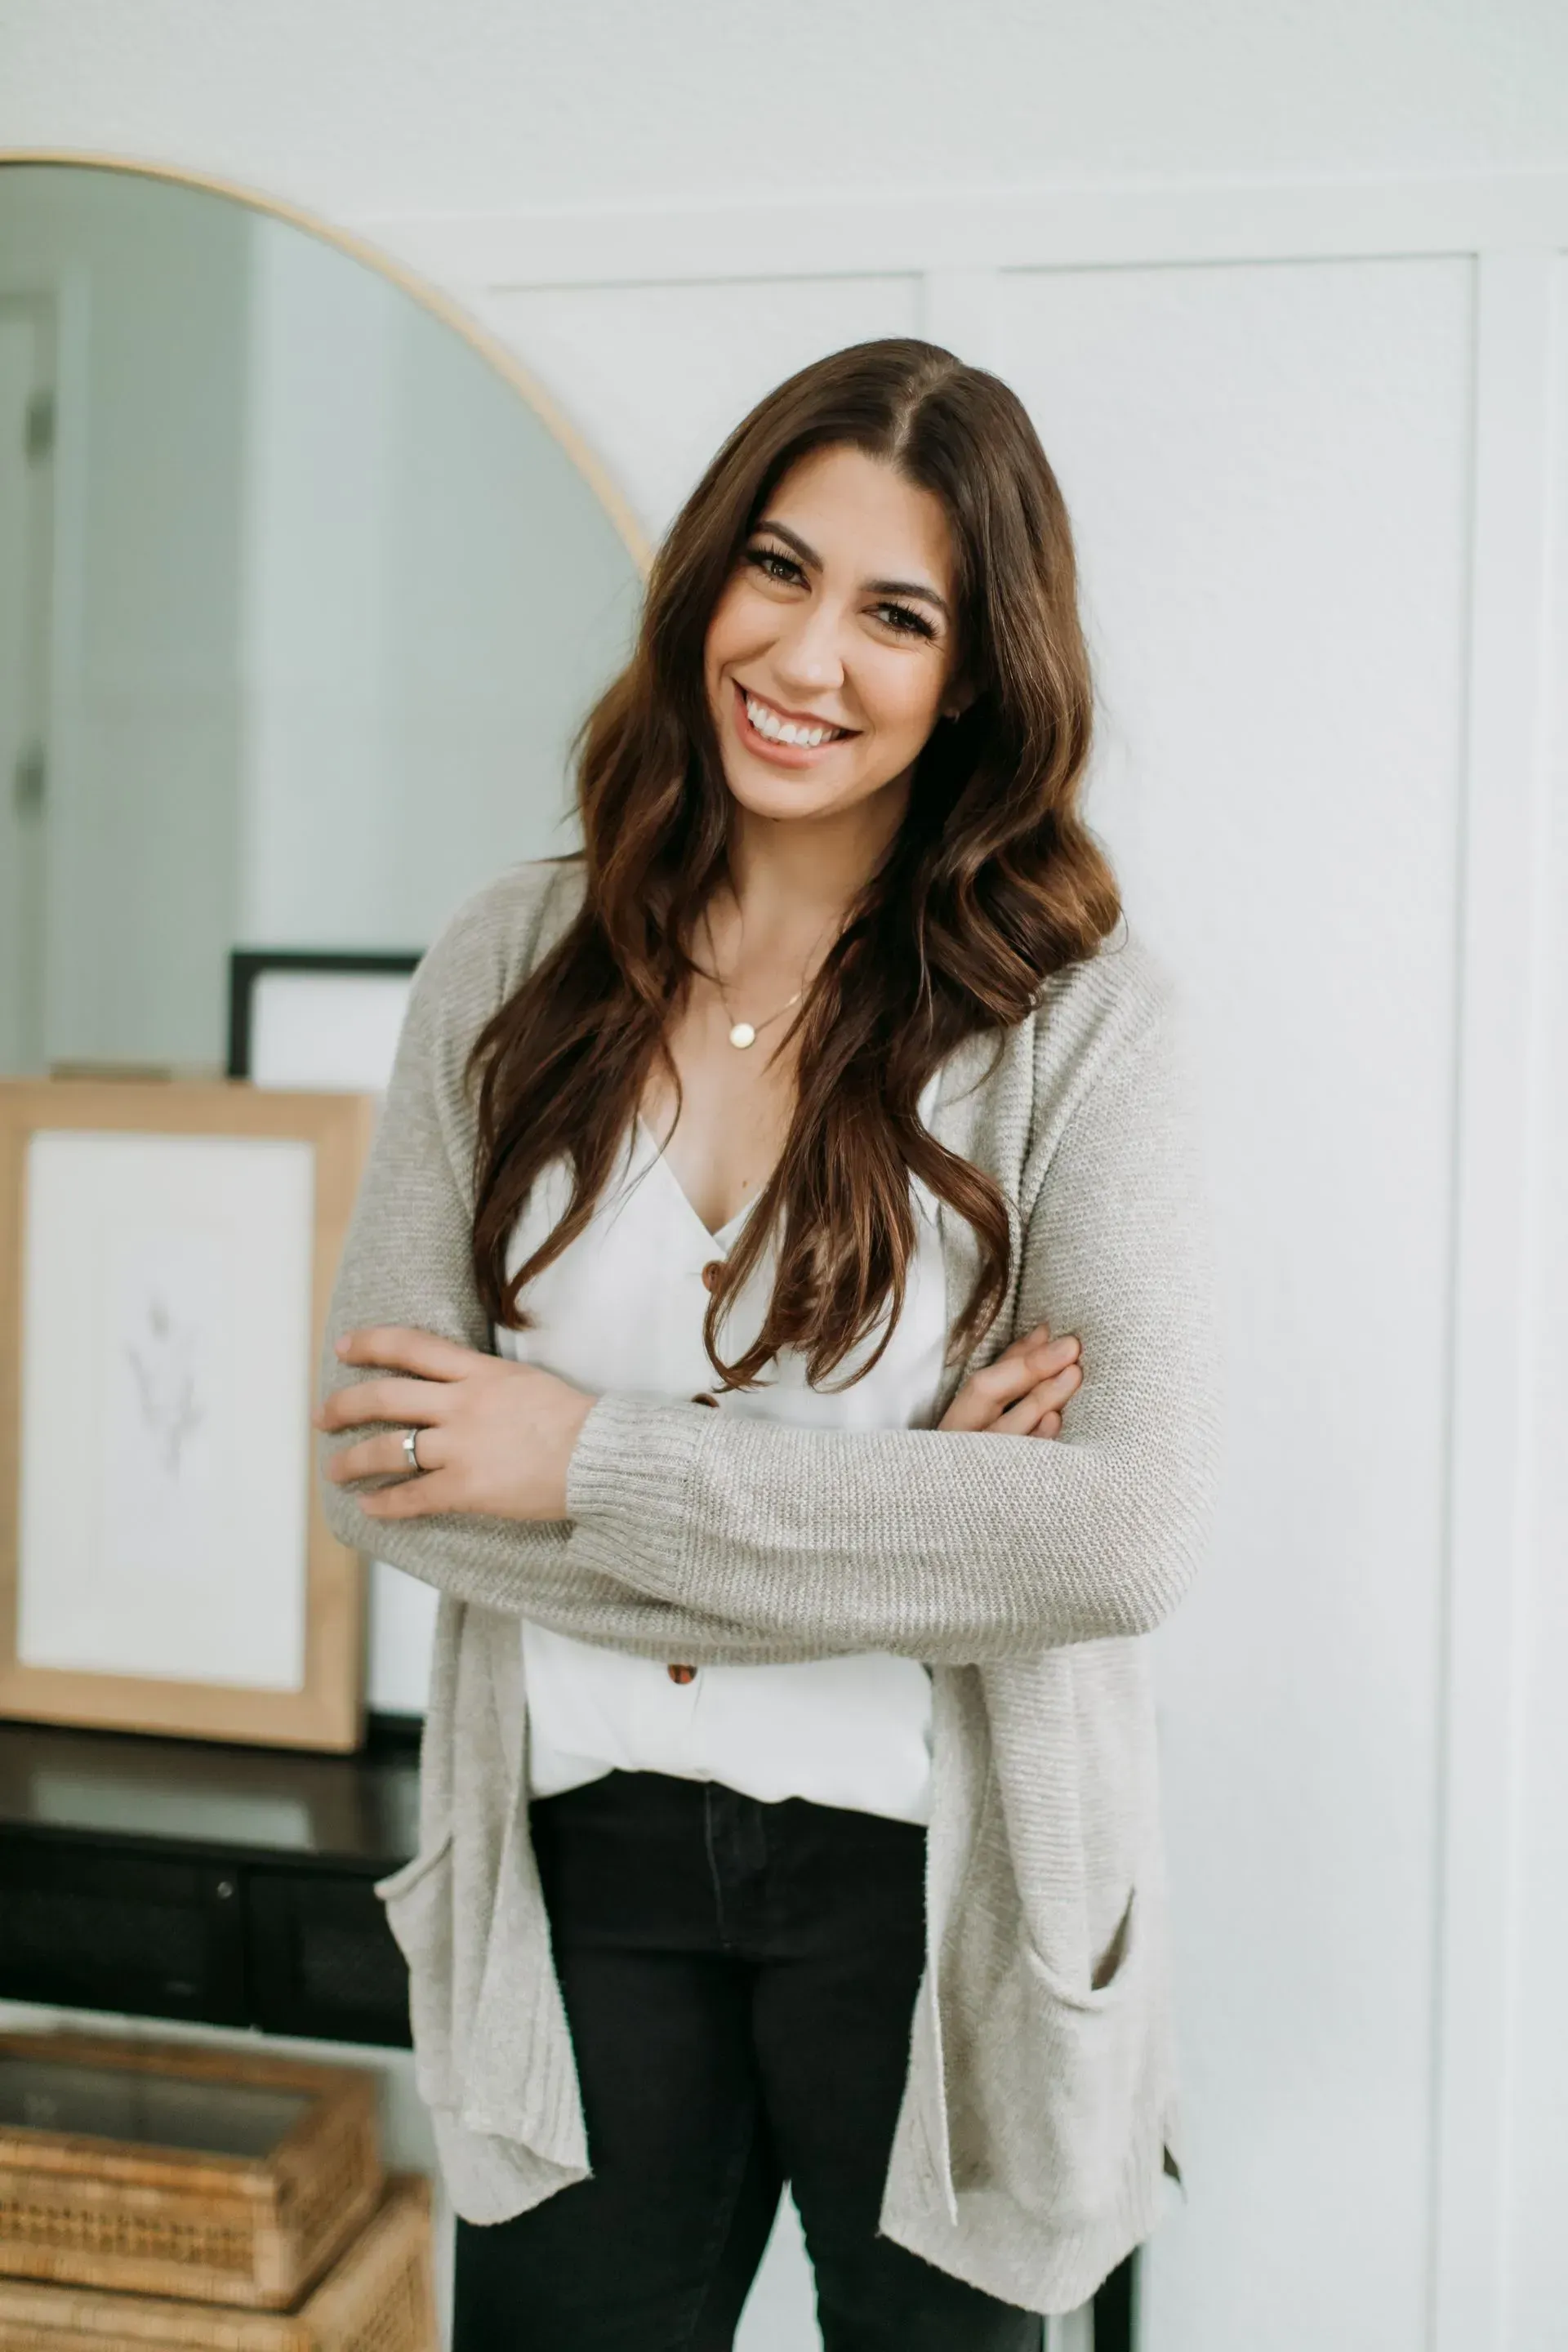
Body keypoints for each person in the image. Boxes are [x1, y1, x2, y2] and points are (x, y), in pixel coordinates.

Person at [314, 336, 1224, 2350]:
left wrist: (576, 1459)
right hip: (578, 1871)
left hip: (933, 1892)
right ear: (708, 573)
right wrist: (914, 1533)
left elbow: (1118, 1537)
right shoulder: (507, 961)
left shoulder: (1081, 1021)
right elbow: (383, 1467)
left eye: (896, 615)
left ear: (973, 675)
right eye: (779, 570)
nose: (807, 657)